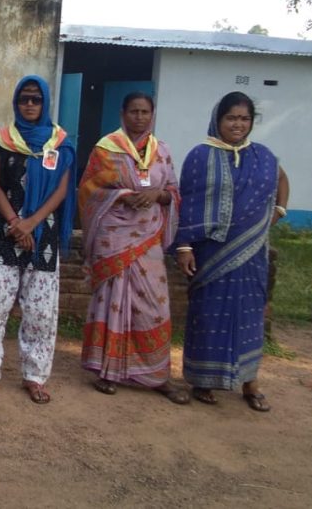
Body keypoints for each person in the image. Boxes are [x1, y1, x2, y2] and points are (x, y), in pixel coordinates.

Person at [175, 92, 289, 412]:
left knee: (249, 317)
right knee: (208, 316)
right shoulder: (199, 156)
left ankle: (250, 383)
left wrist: (277, 212)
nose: (238, 124)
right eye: (231, 118)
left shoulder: (263, 157)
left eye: (244, 119)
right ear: (218, 119)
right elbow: (187, 204)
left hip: (252, 254)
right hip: (210, 253)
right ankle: (203, 380)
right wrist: (183, 247)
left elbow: (282, 179)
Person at [78, 93, 188, 404]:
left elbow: (174, 192)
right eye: (134, 111)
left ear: (152, 115)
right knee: (111, 300)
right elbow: (88, 189)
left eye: (145, 112)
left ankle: (156, 375)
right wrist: (122, 196)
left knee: (153, 306)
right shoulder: (106, 149)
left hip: (148, 239)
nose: (139, 117)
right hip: (113, 238)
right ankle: (107, 371)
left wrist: (158, 195)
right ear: (123, 113)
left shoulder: (161, 152)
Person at [0, 75, 75, 404]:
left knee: (41, 313)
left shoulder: (61, 143)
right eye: (24, 99)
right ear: (17, 103)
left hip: (42, 235)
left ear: (46, 103)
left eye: (36, 99)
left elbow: (62, 189)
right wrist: (16, 222)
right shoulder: (5, 139)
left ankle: (34, 376)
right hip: (3, 232)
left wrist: (30, 224)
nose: (29, 105)